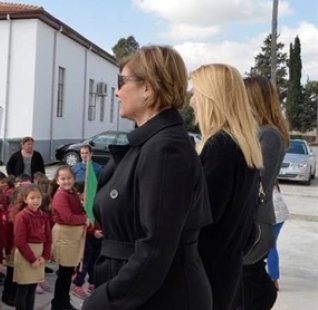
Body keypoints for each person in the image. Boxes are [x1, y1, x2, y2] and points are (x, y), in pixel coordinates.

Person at [83, 46, 212, 309]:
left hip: (159, 297)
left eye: (122, 82)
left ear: (148, 88)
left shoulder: (166, 149)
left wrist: (107, 299)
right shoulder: (151, 143)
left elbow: (156, 247)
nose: (117, 92)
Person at [190, 63, 264, 310]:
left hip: (207, 277)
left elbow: (202, 217)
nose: (191, 102)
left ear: (212, 98)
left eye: (196, 94)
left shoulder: (220, 147)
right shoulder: (243, 146)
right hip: (227, 273)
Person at [240, 75, 290, 308]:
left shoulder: (268, 134)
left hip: (256, 224)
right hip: (253, 222)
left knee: (246, 284)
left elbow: (258, 180)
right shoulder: (258, 132)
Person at [50, 166, 85, 310]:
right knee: (64, 274)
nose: (66, 181)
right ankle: (59, 304)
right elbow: (68, 217)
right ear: (57, 181)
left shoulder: (71, 193)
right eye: (63, 178)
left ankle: (64, 300)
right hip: (65, 236)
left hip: (72, 236)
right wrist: (85, 218)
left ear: (73, 178)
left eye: (69, 178)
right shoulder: (60, 196)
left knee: (68, 273)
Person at [13, 184, 51, 310]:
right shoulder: (22, 217)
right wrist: (32, 259)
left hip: (39, 255)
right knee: (23, 288)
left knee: (33, 287)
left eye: (38, 197)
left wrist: (45, 256)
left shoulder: (44, 216)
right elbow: (20, 241)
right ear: (25, 199)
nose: (36, 201)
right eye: (32, 198)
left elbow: (48, 239)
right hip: (26, 255)